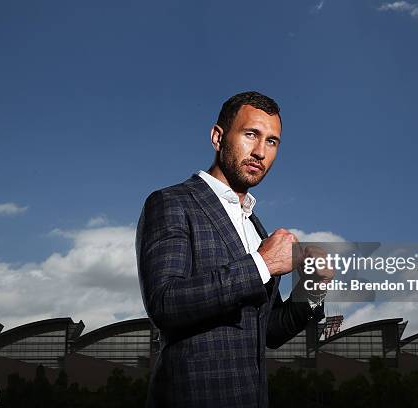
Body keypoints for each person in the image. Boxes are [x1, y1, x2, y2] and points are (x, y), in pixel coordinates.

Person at [136, 91, 331, 407]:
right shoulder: (171, 202)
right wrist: (262, 264)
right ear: (217, 137)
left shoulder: (255, 226)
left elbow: (269, 331)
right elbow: (165, 302)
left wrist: (313, 286)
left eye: (271, 142)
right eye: (251, 134)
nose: (260, 152)